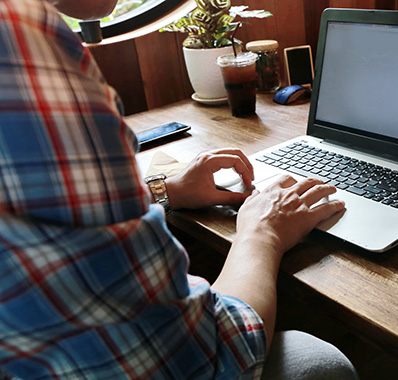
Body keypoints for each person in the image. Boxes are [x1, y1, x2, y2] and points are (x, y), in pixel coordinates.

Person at [0, 0, 358, 378]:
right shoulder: (18, 37)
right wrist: (262, 232)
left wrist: (163, 190)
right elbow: (187, 358)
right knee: (320, 364)